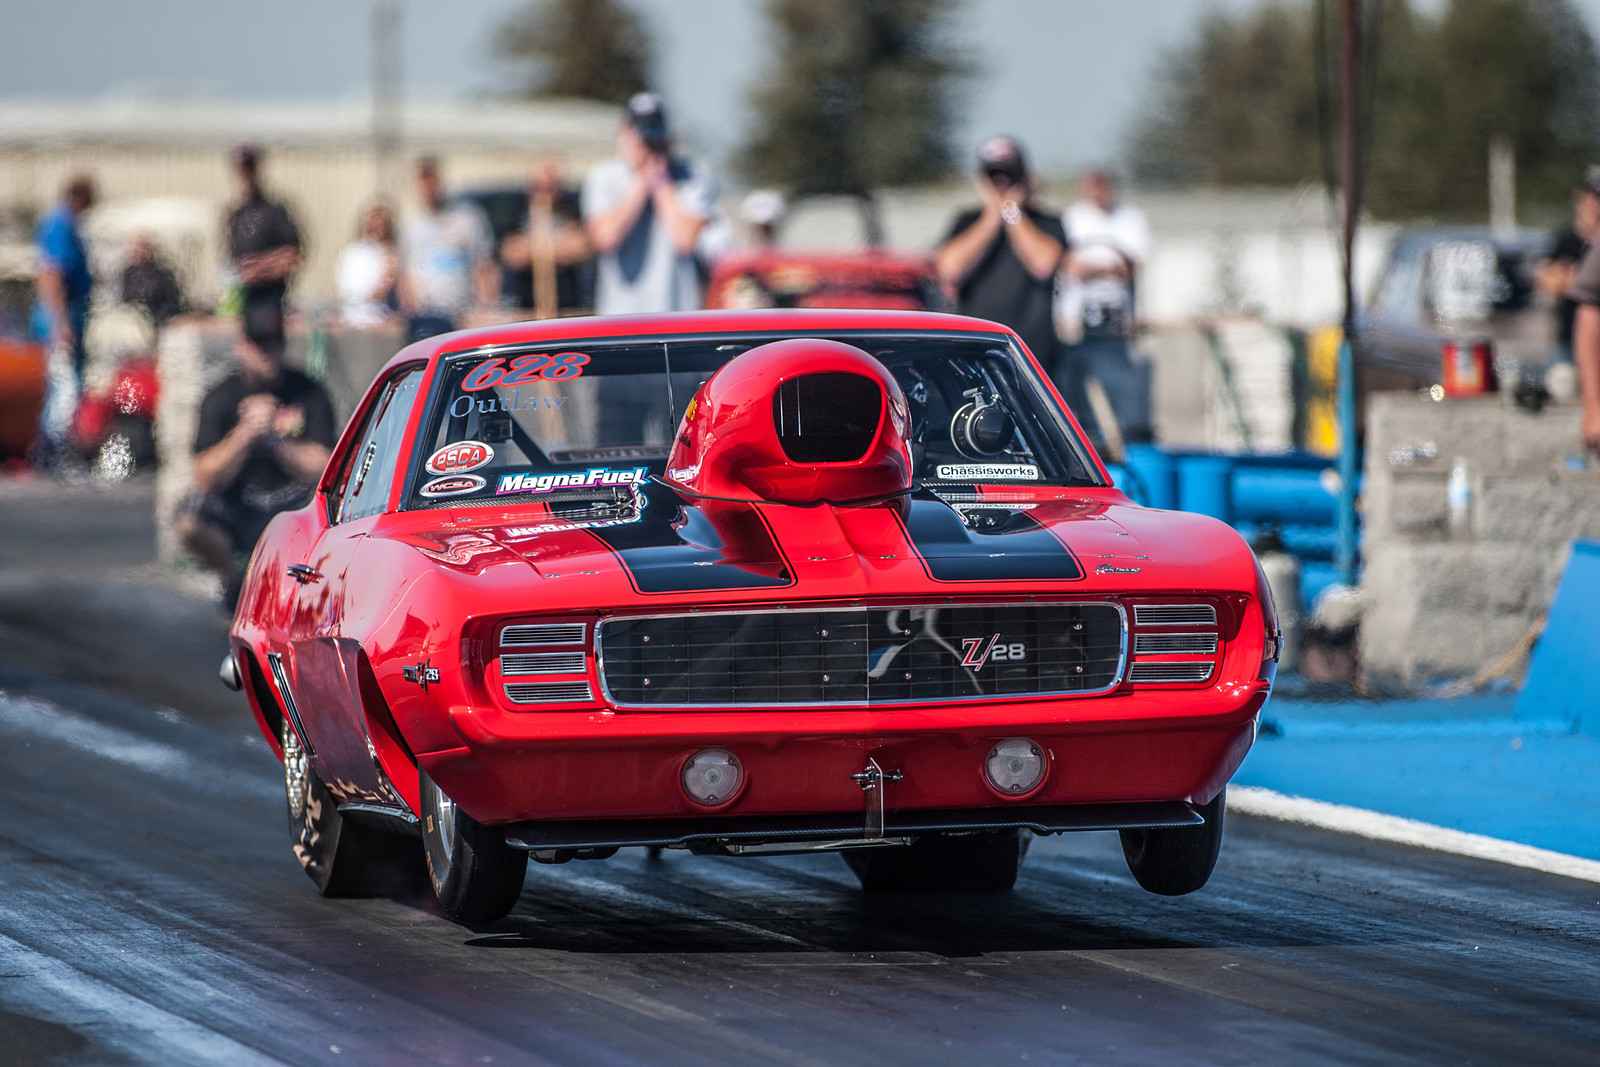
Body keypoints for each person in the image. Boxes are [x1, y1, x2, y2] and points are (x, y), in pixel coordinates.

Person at [178, 308, 336, 609]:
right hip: (239, 501)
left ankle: (301, 591)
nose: (267, 352)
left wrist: (276, 440)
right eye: (259, 344)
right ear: (242, 345)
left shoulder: (308, 392)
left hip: (290, 498)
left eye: (274, 343)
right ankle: (233, 580)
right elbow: (204, 475)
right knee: (189, 517)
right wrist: (246, 433)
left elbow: (323, 465)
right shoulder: (220, 396)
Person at [933, 136, 1066, 366]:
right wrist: (992, 217)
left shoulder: (1047, 223)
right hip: (975, 349)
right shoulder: (966, 221)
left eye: (1009, 176)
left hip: (1033, 354)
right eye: (994, 176)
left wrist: (1012, 213)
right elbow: (950, 269)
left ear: (1024, 178)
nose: (1002, 183)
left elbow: (1043, 266)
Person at [583, 92, 718, 315]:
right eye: (640, 131)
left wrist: (661, 181)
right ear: (624, 132)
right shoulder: (603, 176)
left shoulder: (694, 174)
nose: (649, 140)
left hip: (678, 316)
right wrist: (642, 181)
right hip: (619, 318)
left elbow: (685, 240)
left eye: (655, 129)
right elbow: (606, 238)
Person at [1056, 168, 1153, 444]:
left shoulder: (1131, 218)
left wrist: (1092, 269)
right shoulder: (1073, 218)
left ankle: (1121, 441)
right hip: (1076, 321)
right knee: (1077, 391)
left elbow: (1131, 266)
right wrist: (1107, 269)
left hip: (1116, 325)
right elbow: (1069, 267)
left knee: (1121, 393)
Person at [398, 157, 496, 341]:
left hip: (464, 315)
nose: (428, 187)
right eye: (422, 181)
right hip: (428, 318)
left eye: (431, 180)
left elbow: (484, 267)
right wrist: (412, 314)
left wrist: (485, 310)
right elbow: (406, 278)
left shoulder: (467, 219)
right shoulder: (411, 227)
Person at [497, 161, 593, 317]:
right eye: (540, 187)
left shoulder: (572, 214)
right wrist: (560, 246)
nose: (546, 193)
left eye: (552, 187)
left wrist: (534, 247)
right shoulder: (516, 216)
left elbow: (581, 247)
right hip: (527, 312)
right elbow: (513, 254)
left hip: (567, 311)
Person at [224, 143, 302, 328]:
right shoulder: (237, 213)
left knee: (265, 351)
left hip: (269, 301)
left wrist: (258, 268)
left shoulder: (274, 211)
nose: (246, 174)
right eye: (242, 169)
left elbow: (292, 256)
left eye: (250, 167)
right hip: (240, 301)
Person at [32, 174, 97, 381]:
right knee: (61, 382)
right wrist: (60, 323)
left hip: (67, 309)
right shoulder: (60, 224)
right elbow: (52, 275)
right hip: (62, 309)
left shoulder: (68, 222)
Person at [1538, 167, 1600, 365]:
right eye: (1592, 196)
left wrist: (1571, 278)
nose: (1594, 204)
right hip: (1568, 338)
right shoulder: (1566, 239)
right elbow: (1547, 280)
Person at [336, 200, 399, 328]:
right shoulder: (355, 254)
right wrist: (385, 283)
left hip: (385, 317)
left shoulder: (392, 252)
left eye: (384, 225)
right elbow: (353, 292)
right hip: (360, 319)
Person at [119, 234, 184, 327]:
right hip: (134, 325)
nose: (136, 253)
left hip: (160, 323)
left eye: (140, 249)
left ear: (149, 250)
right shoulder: (127, 274)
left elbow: (172, 305)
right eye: (133, 251)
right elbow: (125, 302)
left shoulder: (162, 275)